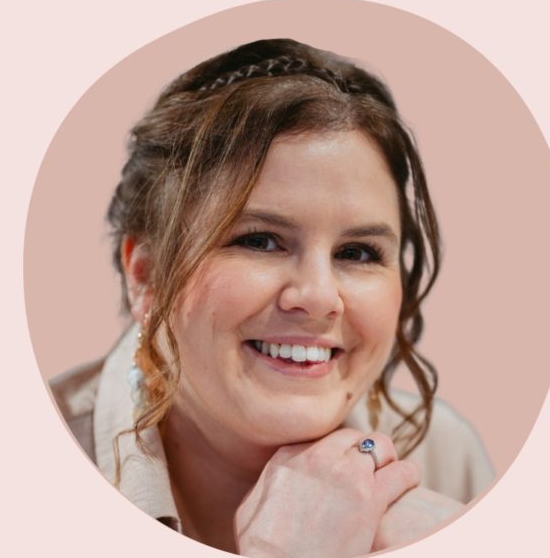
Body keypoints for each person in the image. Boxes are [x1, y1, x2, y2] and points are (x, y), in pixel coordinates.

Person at [50, 39, 494, 556]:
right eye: (260, 241)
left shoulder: (446, 456)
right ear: (146, 276)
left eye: (357, 252)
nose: (319, 297)